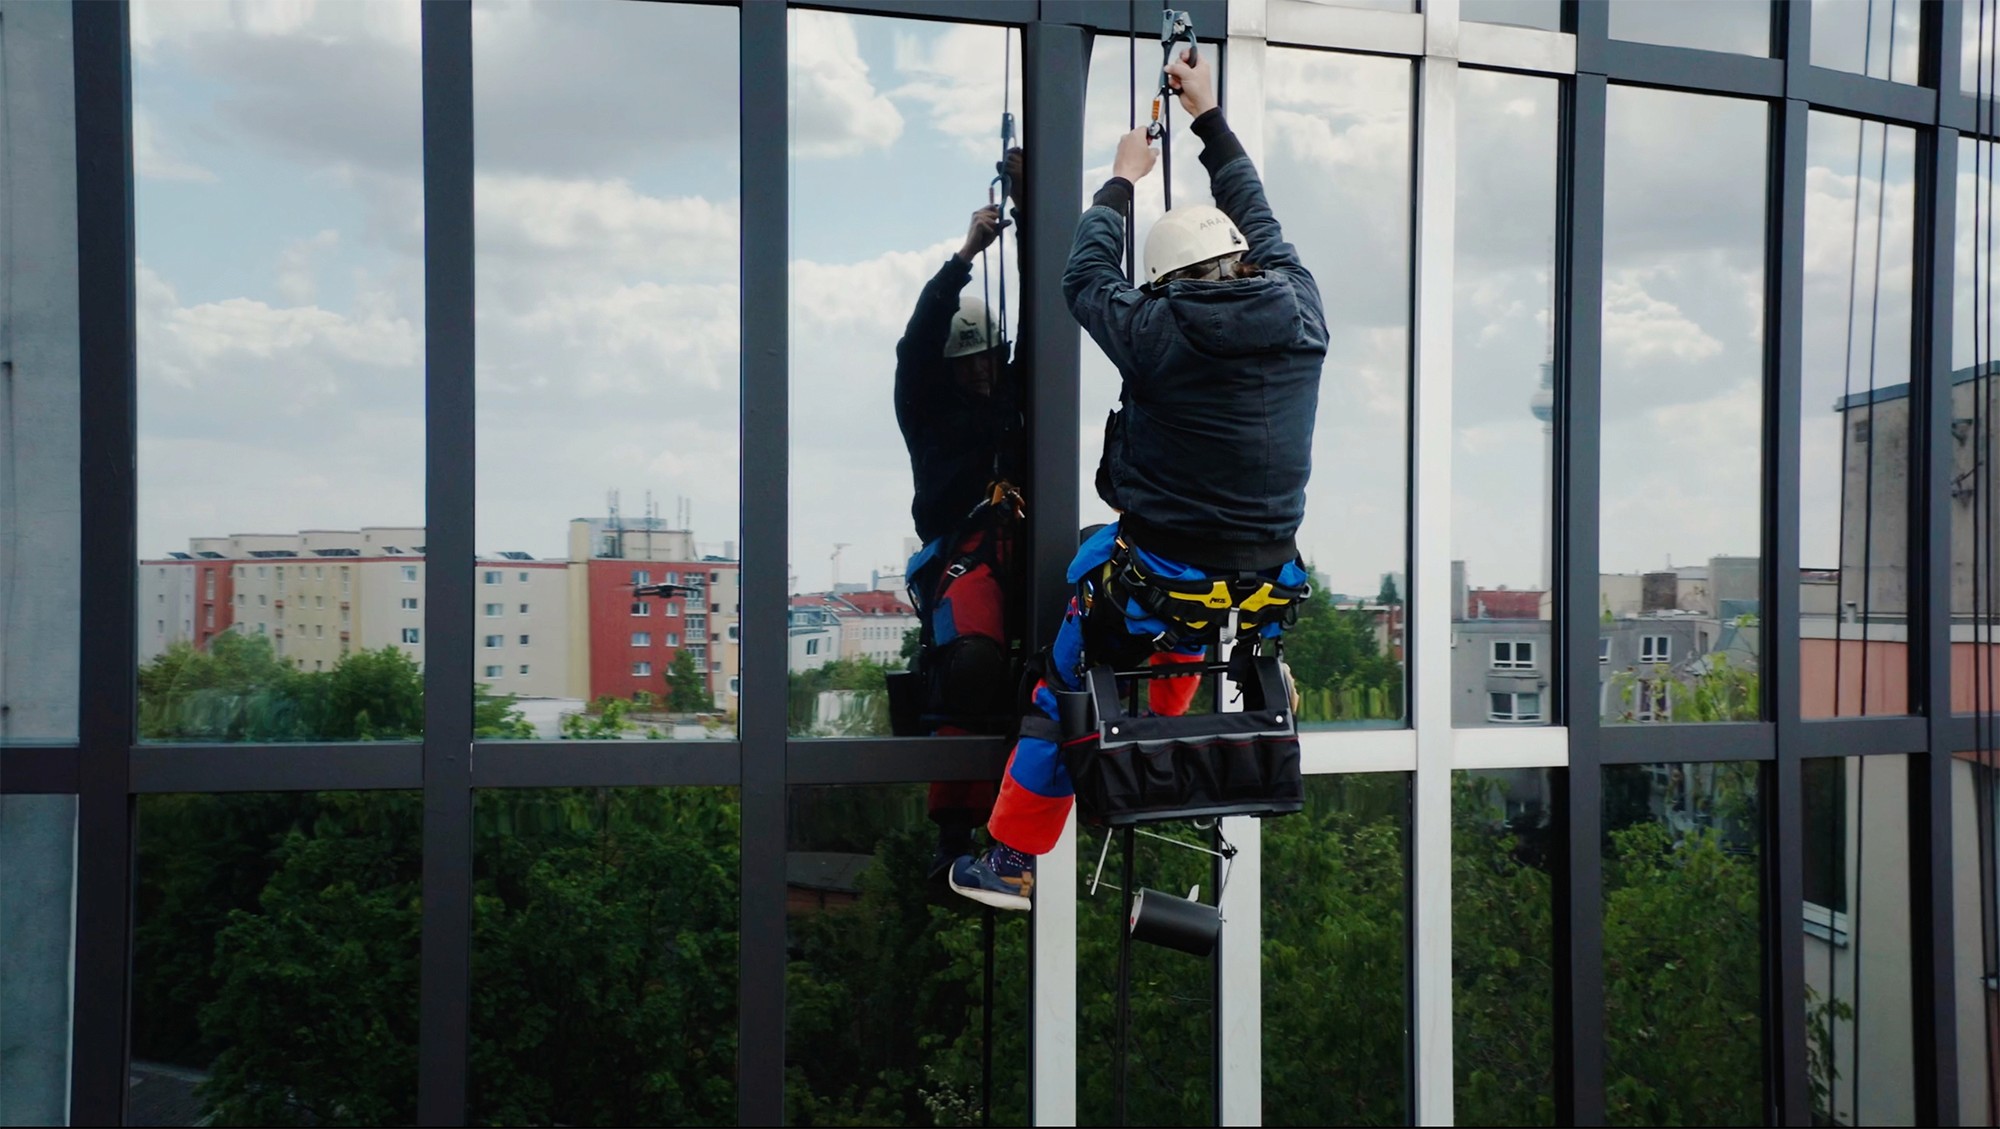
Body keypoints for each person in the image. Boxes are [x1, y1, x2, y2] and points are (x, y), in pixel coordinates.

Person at [949, 47, 1325, 911]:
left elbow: (1085, 276)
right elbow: (1260, 218)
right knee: (1177, 620)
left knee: (1067, 675)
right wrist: (1207, 117)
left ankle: (1010, 858)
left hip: (1164, 569)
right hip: (1261, 579)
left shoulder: (1156, 330)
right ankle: (1152, 740)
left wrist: (1122, 177)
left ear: (1162, 284)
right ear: (1243, 264)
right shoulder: (1301, 309)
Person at [894, 149, 1029, 882]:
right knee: (972, 657)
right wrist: (966, 256)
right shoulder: (928, 408)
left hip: (1024, 544)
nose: (983, 369)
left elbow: (1043, 325)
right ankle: (953, 837)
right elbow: (915, 346)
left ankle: (1035, 819)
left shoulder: (1012, 394)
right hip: (964, 551)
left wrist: (1029, 211)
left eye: (989, 358)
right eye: (970, 361)